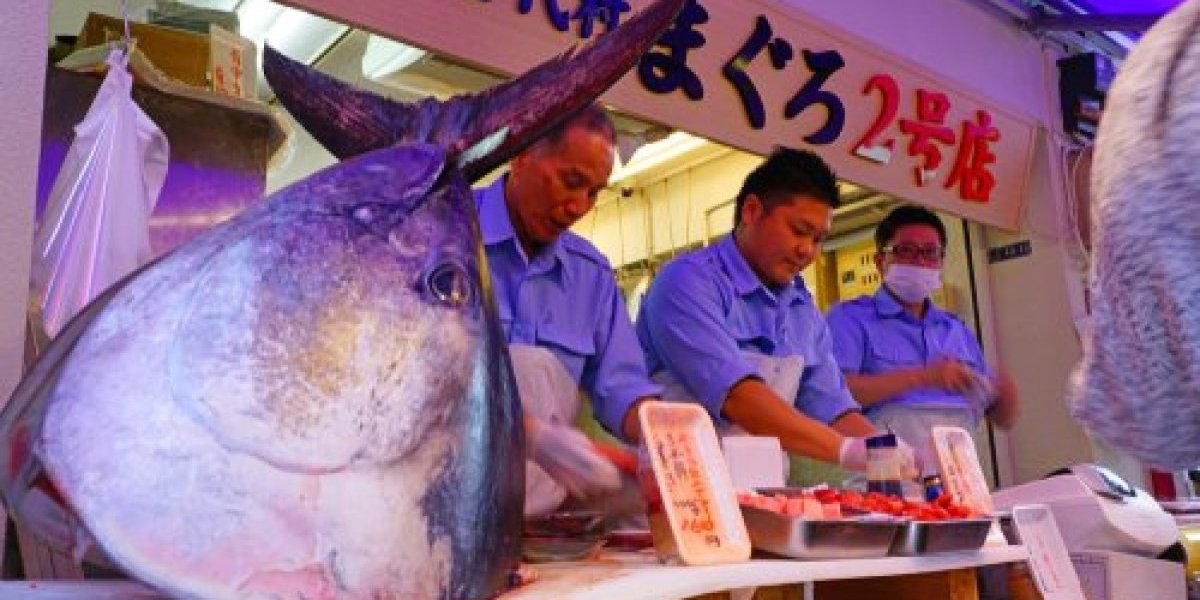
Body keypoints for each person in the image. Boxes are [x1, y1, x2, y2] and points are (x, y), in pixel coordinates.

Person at [635, 147, 893, 474]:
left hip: (764, 497)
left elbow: (834, 411)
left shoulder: (804, 312)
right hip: (677, 493)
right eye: (799, 231)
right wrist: (844, 451)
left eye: (818, 239)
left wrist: (893, 456)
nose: (807, 251)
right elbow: (739, 398)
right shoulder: (686, 283)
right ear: (752, 211)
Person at [473, 104, 661, 517]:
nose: (578, 206)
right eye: (571, 181)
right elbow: (407, 379)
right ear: (522, 154)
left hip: (544, 510)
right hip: (443, 502)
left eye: (594, 192)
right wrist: (530, 435)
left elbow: (622, 387)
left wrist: (666, 441)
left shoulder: (591, 275)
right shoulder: (445, 234)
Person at [825, 205, 1018, 475]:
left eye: (930, 253)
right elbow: (832, 394)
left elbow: (999, 417)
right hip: (884, 483)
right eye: (906, 251)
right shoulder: (849, 319)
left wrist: (1004, 397)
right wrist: (923, 377)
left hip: (959, 482)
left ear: (941, 261)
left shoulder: (955, 330)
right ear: (879, 261)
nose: (920, 262)